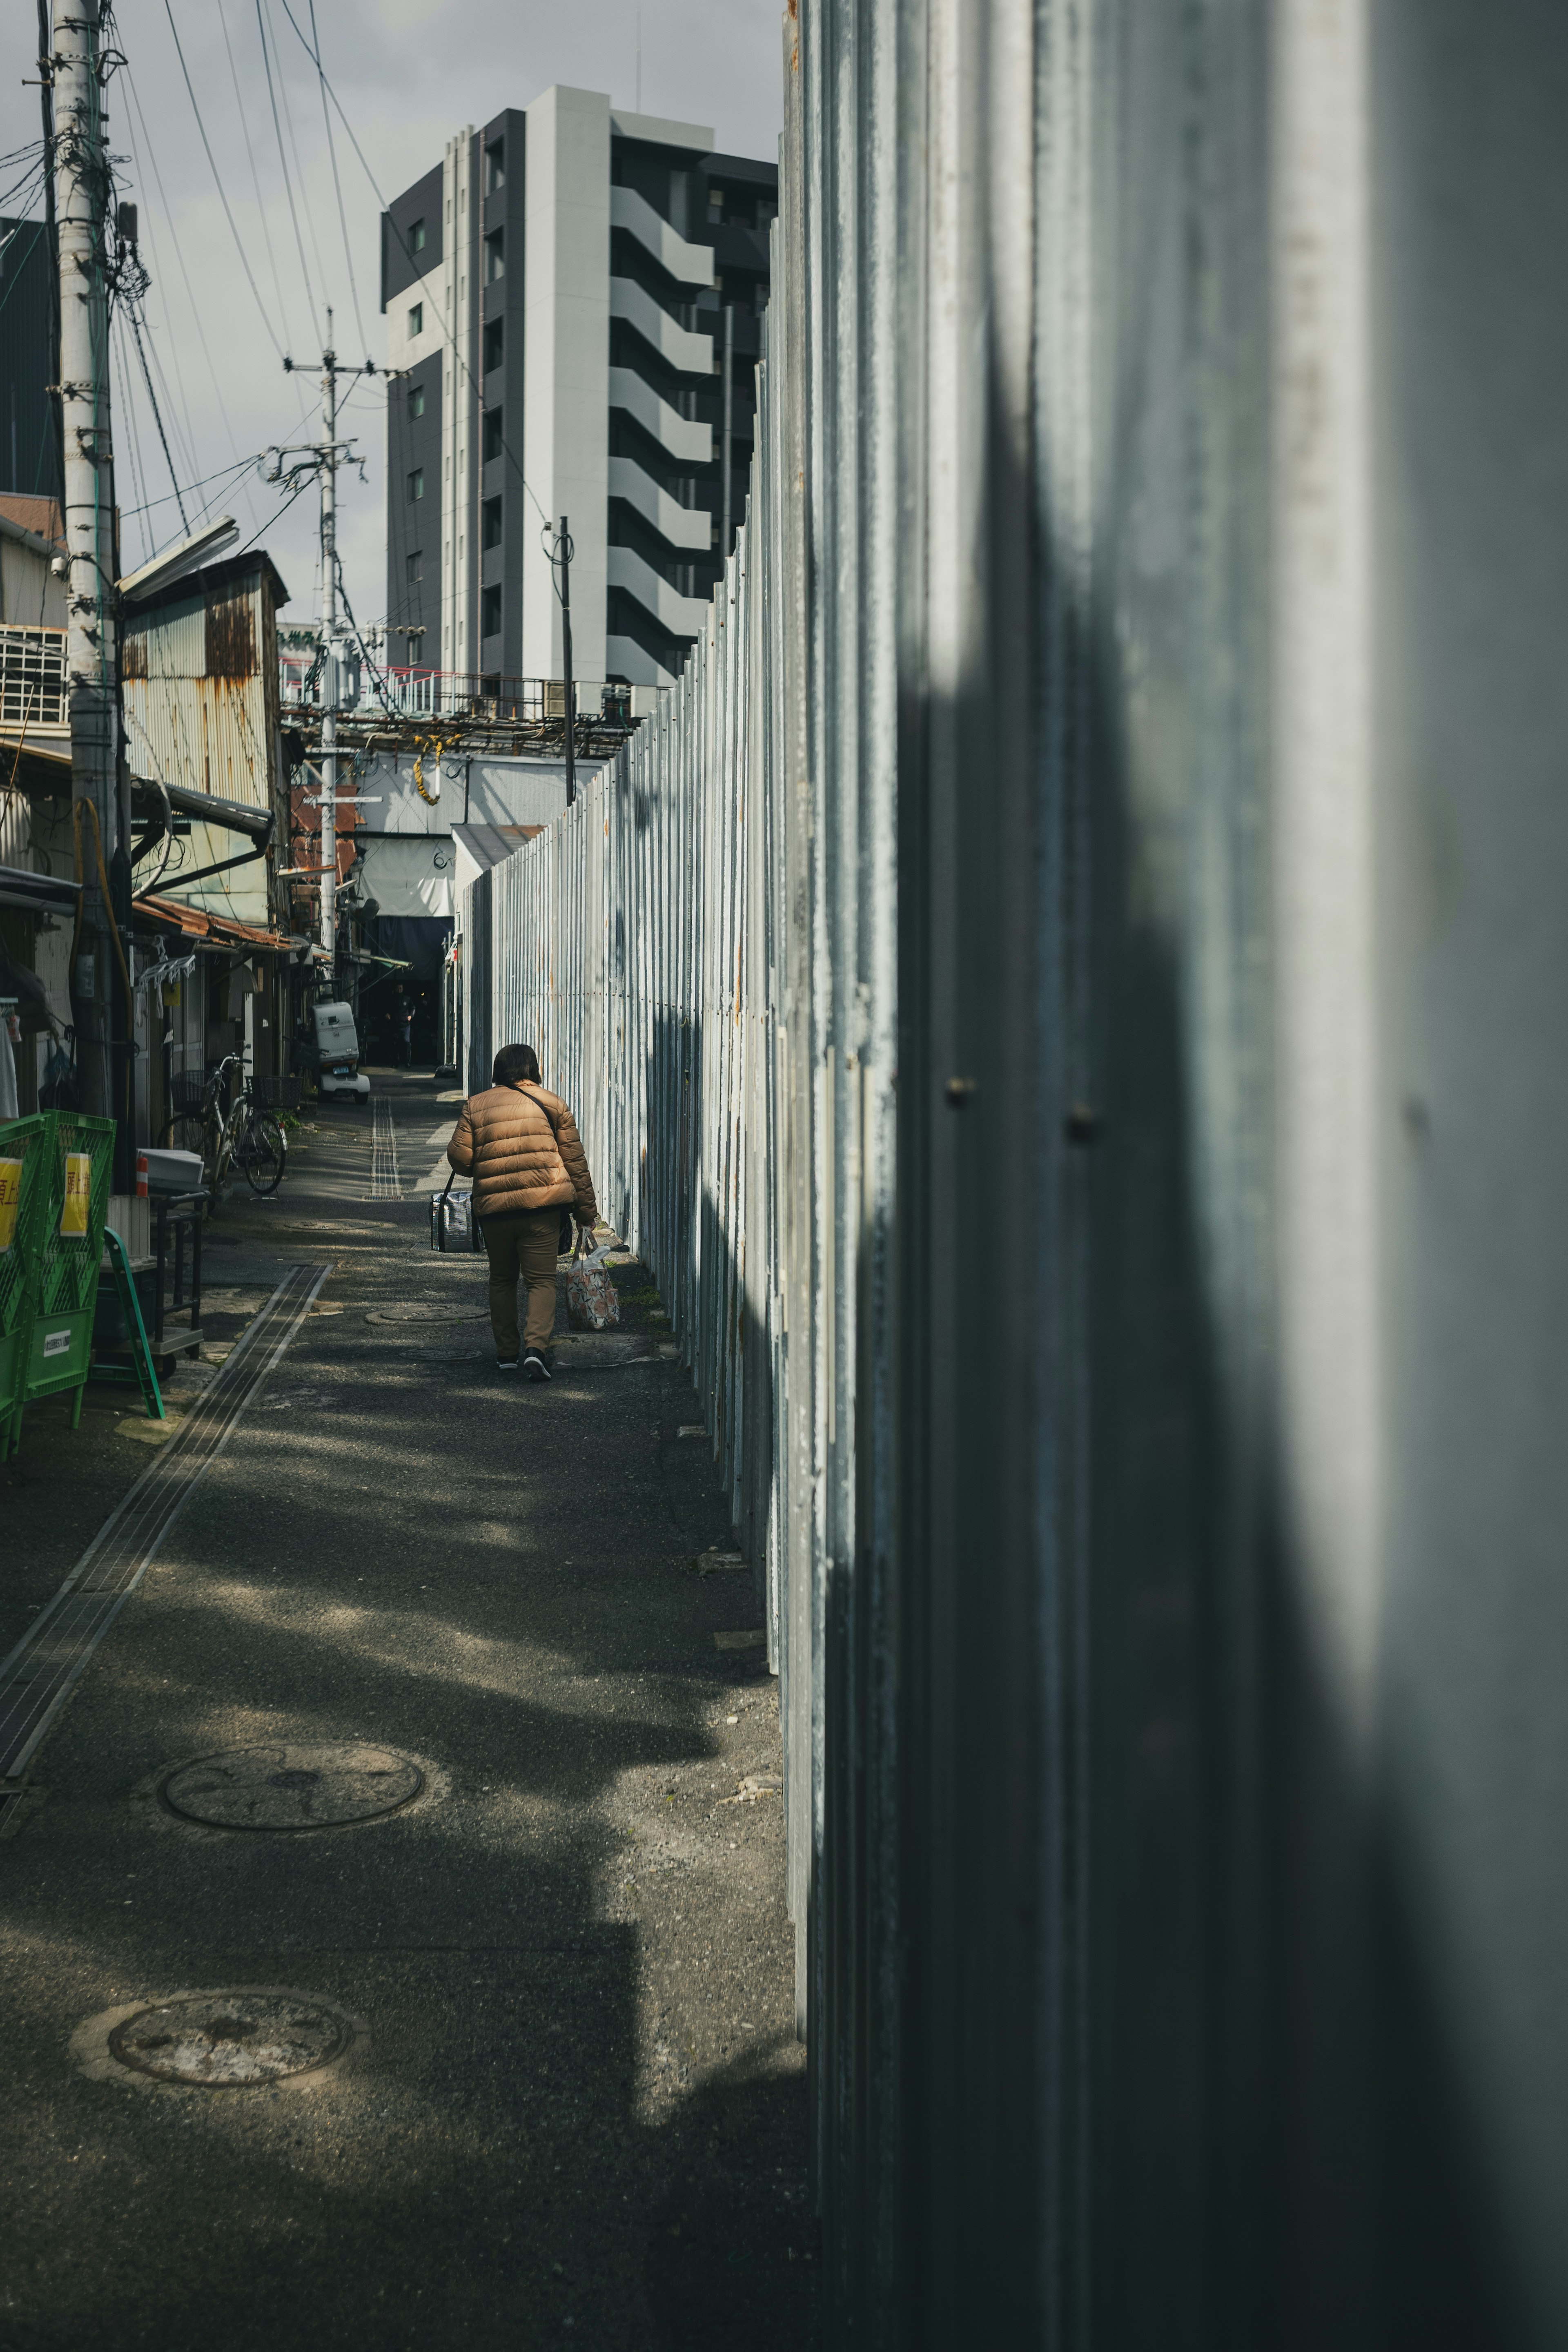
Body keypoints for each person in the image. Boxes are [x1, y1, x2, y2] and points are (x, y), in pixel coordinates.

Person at [445, 1041, 598, 1379]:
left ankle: (506, 1354)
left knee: (501, 1279)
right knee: (541, 1281)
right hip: (542, 1208)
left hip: (495, 1210)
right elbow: (575, 1162)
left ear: (499, 1071)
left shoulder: (476, 1105)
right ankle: (535, 1351)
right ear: (533, 1069)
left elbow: (460, 1158)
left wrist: (488, 1166)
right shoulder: (553, 1103)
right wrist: (586, 1211)